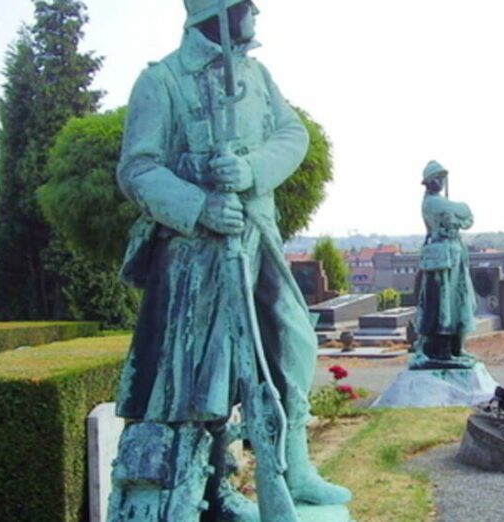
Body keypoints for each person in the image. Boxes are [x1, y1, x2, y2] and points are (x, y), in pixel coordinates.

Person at [107, 1, 350, 520]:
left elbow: (292, 134)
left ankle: (295, 467)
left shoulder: (256, 74)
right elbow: (137, 169)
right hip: (195, 257)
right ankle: (213, 491)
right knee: (204, 374)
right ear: (217, 11)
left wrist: (251, 169)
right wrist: (200, 207)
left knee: (293, 342)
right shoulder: (161, 81)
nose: (256, 12)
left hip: (258, 236)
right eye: (245, 5)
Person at [410, 161, 478, 370]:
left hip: (455, 255)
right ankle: (442, 351)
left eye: (442, 178)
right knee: (444, 304)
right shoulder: (432, 202)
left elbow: (469, 220)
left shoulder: (440, 202)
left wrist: (459, 218)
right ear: (428, 182)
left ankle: (457, 348)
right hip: (442, 258)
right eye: (436, 178)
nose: (440, 181)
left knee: (461, 302)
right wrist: (458, 213)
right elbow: (463, 210)